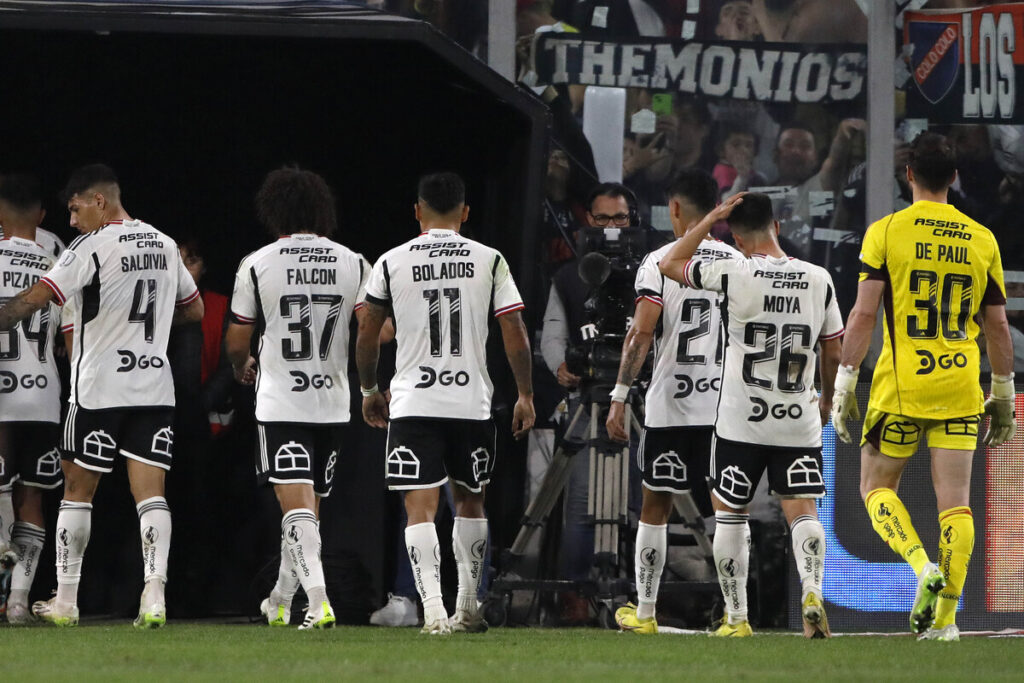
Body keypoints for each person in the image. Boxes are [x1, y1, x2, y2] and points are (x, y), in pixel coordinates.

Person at [831, 132, 1017, 642]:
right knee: (955, 503)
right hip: (960, 384)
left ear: (907, 174)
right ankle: (948, 621)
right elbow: (998, 328)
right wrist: (1002, 393)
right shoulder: (982, 239)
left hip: (901, 387)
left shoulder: (887, 231)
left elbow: (864, 313)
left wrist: (845, 381)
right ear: (955, 177)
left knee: (875, 487)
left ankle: (920, 567)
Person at [0, 163, 204, 628]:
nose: (71, 222)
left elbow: (37, 298)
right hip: (154, 388)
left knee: (77, 492)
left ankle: (66, 600)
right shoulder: (164, 242)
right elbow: (195, 309)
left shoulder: (91, 246)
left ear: (98, 201)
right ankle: (154, 596)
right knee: (151, 496)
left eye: (75, 210)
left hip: (97, 391)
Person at [356, 172, 535, 635]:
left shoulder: (392, 261)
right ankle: (469, 606)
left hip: (415, 400)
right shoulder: (490, 260)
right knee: (472, 503)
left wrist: (369, 390)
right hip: (469, 401)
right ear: (465, 213)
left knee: (420, 507)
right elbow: (513, 331)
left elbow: (368, 332)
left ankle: (432, 610)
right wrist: (525, 393)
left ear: (417, 211)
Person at [659, 192, 843, 638]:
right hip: (796, 415)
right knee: (802, 511)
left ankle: (737, 618)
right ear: (777, 227)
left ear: (738, 239)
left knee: (730, 515)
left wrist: (711, 219)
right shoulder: (818, 278)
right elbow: (833, 345)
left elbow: (669, 263)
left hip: (741, 417)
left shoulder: (734, 270)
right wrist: (823, 399)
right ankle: (812, 590)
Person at [224, 167, 370, 631]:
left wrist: (239, 364)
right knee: (307, 509)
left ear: (273, 211)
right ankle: (281, 600)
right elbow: (374, 328)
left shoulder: (258, 262)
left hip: (282, 400)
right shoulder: (353, 262)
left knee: (297, 508)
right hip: (332, 401)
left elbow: (236, 335)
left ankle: (319, 600)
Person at [606, 169, 742, 634]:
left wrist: (619, 395)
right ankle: (736, 615)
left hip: (671, 407)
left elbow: (642, 332)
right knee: (727, 510)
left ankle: (645, 613)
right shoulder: (738, 261)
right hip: (725, 411)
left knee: (655, 507)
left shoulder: (659, 261)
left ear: (676, 209)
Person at [0, 174, 64, 624]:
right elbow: (69, 340)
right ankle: (19, 601)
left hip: (1, 395)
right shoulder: (60, 266)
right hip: (44, 396)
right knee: (33, 499)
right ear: (40, 217)